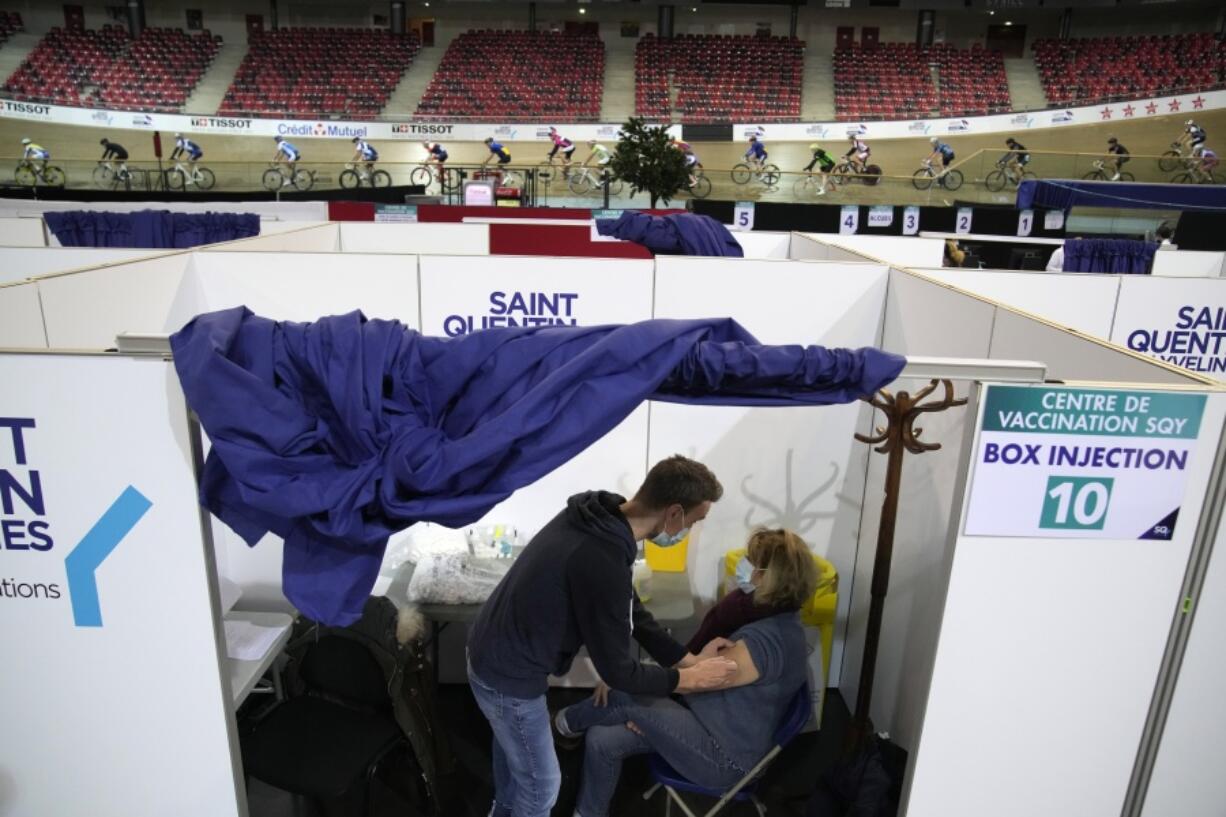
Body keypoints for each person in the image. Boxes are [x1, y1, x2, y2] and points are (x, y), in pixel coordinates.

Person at [466, 456, 738, 817]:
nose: (692, 531)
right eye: (695, 521)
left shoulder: (597, 515)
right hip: (508, 676)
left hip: (490, 649)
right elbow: (619, 673)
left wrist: (688, 660)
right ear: (674, 514)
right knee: (541, 788)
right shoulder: (603, 556)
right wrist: (687, 680)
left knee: (516, 764)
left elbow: (632, 612)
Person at [555, 528, 820, 817]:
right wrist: (658, 718)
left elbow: (691, 683)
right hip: (702, 724)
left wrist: (645, 708)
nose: (743, 565)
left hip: (723, 758)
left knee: (624, 693)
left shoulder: (763, 644)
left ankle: (562, 724)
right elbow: (697, 677)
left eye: (751, 561)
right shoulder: (783, 623)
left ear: (768, 577)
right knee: (602, 739)